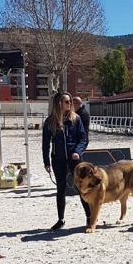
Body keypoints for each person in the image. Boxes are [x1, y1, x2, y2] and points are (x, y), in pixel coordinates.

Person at [42, 92, 91, 231]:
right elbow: (45, 144)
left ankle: (89, 217)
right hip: (58, 159)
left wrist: (78, 151)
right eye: (66, 102)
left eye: (70, 101)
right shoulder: (50, 121)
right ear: (59, 104)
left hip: (74, 158)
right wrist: (46, 162)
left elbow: (83, 138)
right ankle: (61, 219)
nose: (70, 104)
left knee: (82, 188)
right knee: (61, 189)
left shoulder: (76, 119)